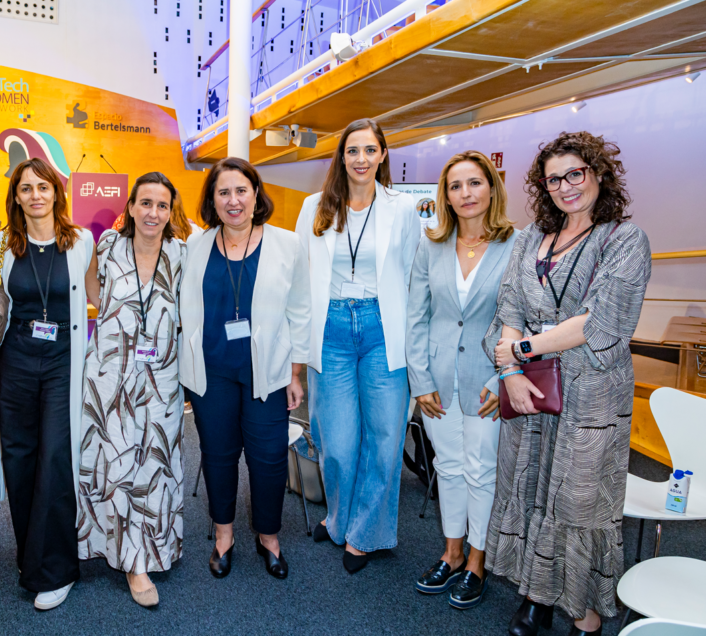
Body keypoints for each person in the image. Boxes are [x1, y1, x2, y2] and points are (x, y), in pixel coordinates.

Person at [486, 132, 650, 636]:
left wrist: (520, 352)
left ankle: (586, 614)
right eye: (554, 178)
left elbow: (600, 323)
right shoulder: (530, 239)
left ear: (598, 173)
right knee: (530, 488)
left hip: (590, 399)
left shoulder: (625, 239)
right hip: (531, 393)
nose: (565, 186)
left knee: (578, 504)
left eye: (575, 173)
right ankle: (536, 595)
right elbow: (509, 306)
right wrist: (511, 375)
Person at [294, 118, 419, 573]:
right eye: (353, 151)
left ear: (382, 155)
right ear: (341, 157)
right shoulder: (315, 207)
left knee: (385, 437)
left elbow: (412, 275)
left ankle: (366, 533)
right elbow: (302, 281)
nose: (361, 159)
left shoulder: (402, 209)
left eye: (370, 150)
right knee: (337, 440)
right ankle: (337, 517)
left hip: (382, 326)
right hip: (331, 328)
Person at [179, 157, 310, 581]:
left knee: (268, 459)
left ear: (256, 195)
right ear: (212, 201)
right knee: (217, 457)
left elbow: (301, 311)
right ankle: (223, 536)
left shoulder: (287, 245)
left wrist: (296, 373)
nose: (233, 200)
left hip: (267, 372)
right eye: (223, 192)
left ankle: (269, 537)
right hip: (211, 373)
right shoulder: (194, 246)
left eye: (241, 190)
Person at [405, 150, 516, 609]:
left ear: (491, 187)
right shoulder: (431, 245)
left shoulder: (518, 245)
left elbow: (523, 315)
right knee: (447, 467)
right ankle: (450, 553)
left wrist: (503, 378)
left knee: (481, 471)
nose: (465, 194)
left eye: (474, 183)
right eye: (455, 186)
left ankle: (476, 562)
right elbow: (417, 315)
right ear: (445, 196)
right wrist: (420, 378)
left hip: (488, 379)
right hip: (437, 378)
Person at [78, 172, 187, 608]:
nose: (153, 213)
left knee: (154, 464)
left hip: (161, 375)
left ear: (170, 211)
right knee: (115, 463)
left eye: (162, 205)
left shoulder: (181, 253)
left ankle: (150, 548)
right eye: (145, 203)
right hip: (109, 373)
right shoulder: (106, 246)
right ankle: (129, 560)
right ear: (131, 207)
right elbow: (93, 291)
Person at [0, 157, 94, 610]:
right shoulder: (3, 244)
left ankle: (55, 570)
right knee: (19, 459)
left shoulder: (81, 242)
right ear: (16, 197)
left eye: (43, 187)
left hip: (61, 366)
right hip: (15, 364)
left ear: (57, 192)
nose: (36, 195)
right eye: (26, 188)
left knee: (55, 459)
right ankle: (28, 556)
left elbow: (97, 297)